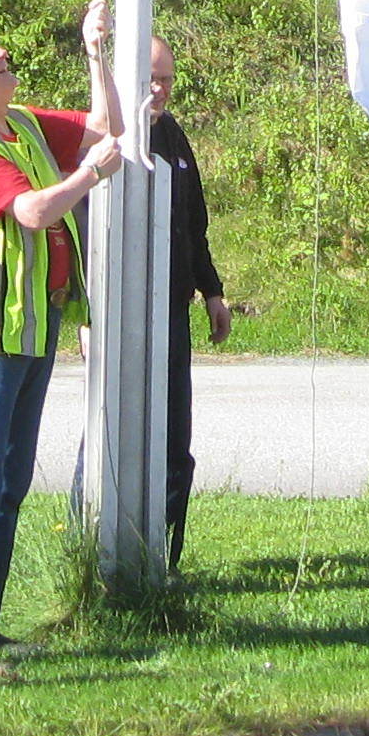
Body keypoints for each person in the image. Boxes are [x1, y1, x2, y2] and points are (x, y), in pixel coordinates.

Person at [0, 1, 123, 677]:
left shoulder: (21, 123)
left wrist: (95, 52)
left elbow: (106, 127)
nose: (2, 54)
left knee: (7, 483)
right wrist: (90, 176)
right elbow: (33, 211)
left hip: (31, 326)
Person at [143, 40, 231, 563]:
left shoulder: (174, 136)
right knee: (115, 434)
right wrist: (88, 315)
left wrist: (212, 291)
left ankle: (164, 563)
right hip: (124, 316)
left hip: (174, 311)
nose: (160, 89)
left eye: (167, 79)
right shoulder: (109, 138)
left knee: (176, 441)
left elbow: (194, 224)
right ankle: (96, 552)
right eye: (151, 78)